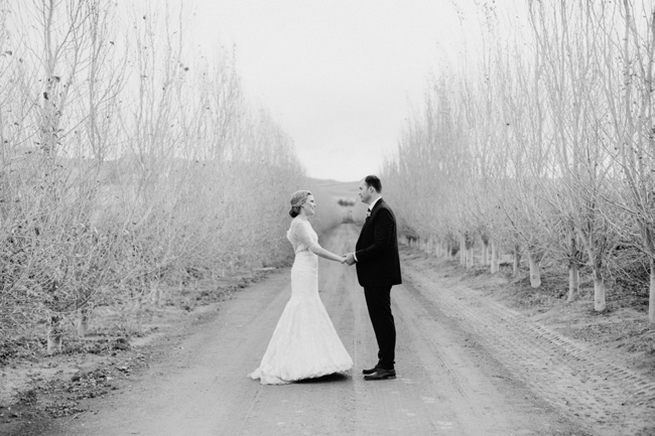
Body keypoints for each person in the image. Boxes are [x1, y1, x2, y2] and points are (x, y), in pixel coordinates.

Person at [249, 190, 353, 384]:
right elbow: (314, 248)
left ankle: (312, 359)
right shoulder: (298, 224)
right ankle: (297, 362)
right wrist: (340, 259)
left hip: (309, 270)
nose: (315, 205)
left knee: (310, 307)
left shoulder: (305, 223)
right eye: (311, 202)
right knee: (303, 307)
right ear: (302, 204)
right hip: (303, 270)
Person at [345, 175, 401, 380]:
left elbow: (381, 245)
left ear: (371, 189)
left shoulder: (383, 212)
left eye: (361, 188)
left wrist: (356, 256)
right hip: (375, 276)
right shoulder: (377, 211)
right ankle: (383, 362)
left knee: (383, 319)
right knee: (379, 320)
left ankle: (387, 366)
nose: (359, 192)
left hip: (380, 276)